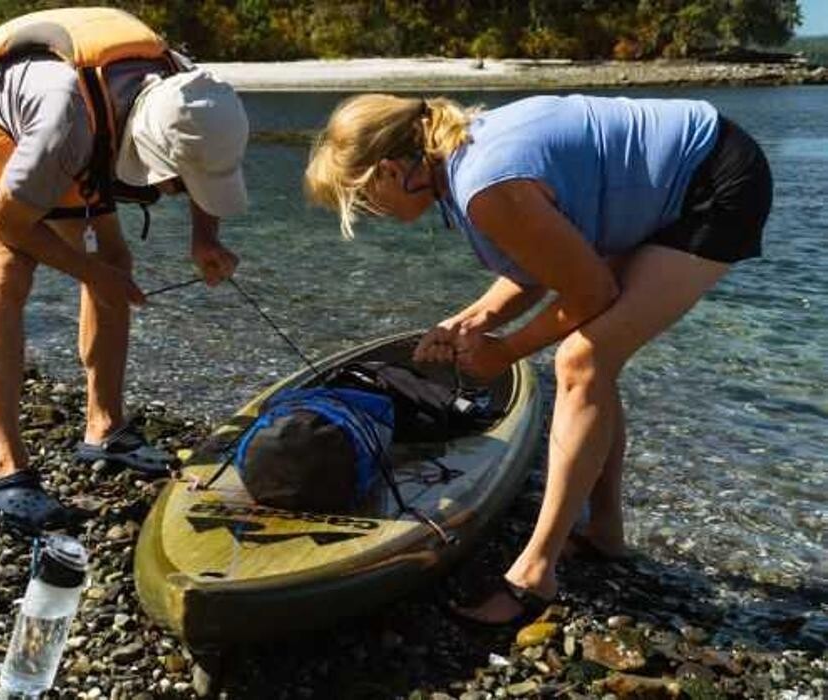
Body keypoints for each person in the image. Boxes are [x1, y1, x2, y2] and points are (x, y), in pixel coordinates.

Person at [304, 93, 772, 625]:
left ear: (392, 171)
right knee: (595, 356)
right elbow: (543, 266)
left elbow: (590, 292)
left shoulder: (485, 184)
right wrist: (470, 321)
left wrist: (505, 351)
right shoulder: (464, 158)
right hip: (683, 172)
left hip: (713, 182)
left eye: (365, 202)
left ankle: (536, 573)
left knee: (581, 361)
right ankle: (604, 531)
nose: (374, 216)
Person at [0, 8, 248, 536]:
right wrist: (93, 275)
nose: (182, 191)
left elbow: (207, 165)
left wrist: (205, 237)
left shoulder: (198, 94)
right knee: (5, 270)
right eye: (177, 183)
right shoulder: (66, 122)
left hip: (65, 125)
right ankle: (8, 466)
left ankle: (104, 429)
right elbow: (9, 225)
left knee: (116, 260)